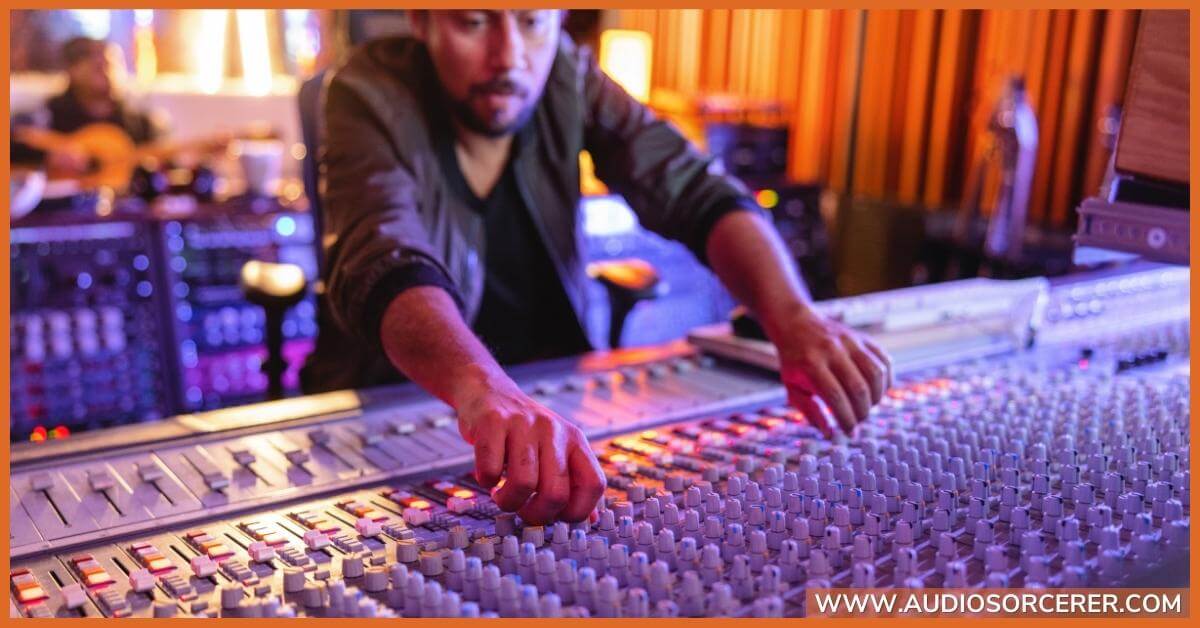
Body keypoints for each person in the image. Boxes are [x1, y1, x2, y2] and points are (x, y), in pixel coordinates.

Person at [306, 9, 892, 525]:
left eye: (533, 21)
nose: (508, 55)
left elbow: (696, 191)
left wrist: (790, 315)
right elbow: (382, 255)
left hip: (553, 406)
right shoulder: (367, 89)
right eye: (474, 21)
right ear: (421, 21)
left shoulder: (567, 75)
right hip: (405, 397)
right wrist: (482, 391)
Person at [10, 36, 164, 176]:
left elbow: (159, 164)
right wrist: (47, 157)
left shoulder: (139, 123)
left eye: (112, 66)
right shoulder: (47, 116)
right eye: (98, 67)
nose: (108, 73)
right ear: (72, 70)